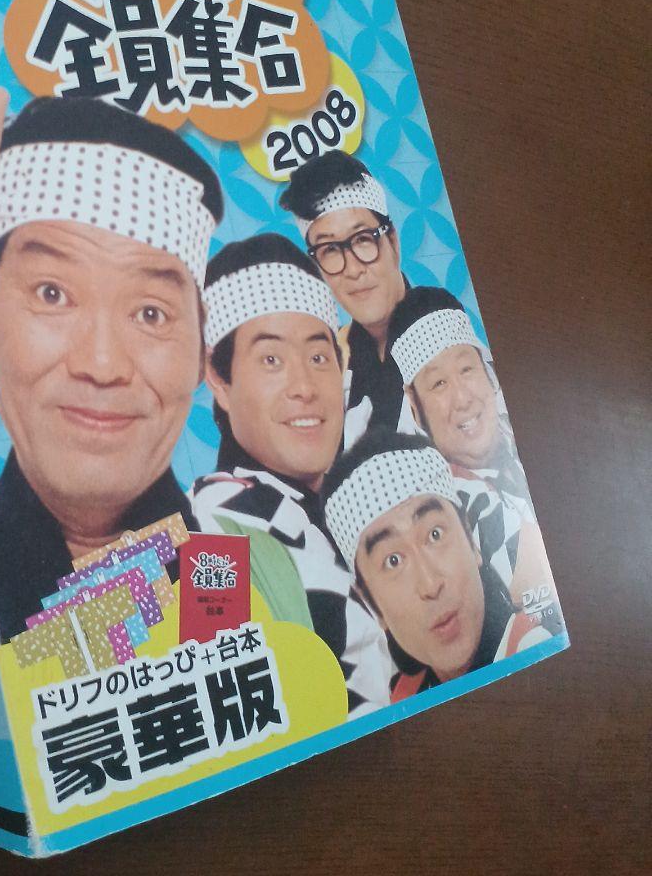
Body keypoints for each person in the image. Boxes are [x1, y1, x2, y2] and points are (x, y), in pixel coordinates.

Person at [0, 95, 224, 642]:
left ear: (203, 352)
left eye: (151, 313)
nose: (103, 365)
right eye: (52, 294)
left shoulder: (252, 572)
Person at [190, 233, 392, 717]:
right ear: (219, 380)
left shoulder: (368, 496)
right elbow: (225, 698)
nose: (304, 387)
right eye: (271, 360)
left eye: (319, 358)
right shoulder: (212, 527)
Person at [322, 432, 550, 700]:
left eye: (435, 534)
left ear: (471, 541)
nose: (430, 584)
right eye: (393, 560)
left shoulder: (537, 648)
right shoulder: (402, 699)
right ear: (371, 604)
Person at [387, 287, 557, 619]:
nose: (463, 399)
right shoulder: (446, 499)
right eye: (438, 384)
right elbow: (535, 590)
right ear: (415, 407)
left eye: (467, 369)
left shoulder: (516, 425)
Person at [280, 151, 420, 445]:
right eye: (330, 249)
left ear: (393, 241)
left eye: (362, 239)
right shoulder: (329, 370)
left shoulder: (452, 345)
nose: (353, 269)